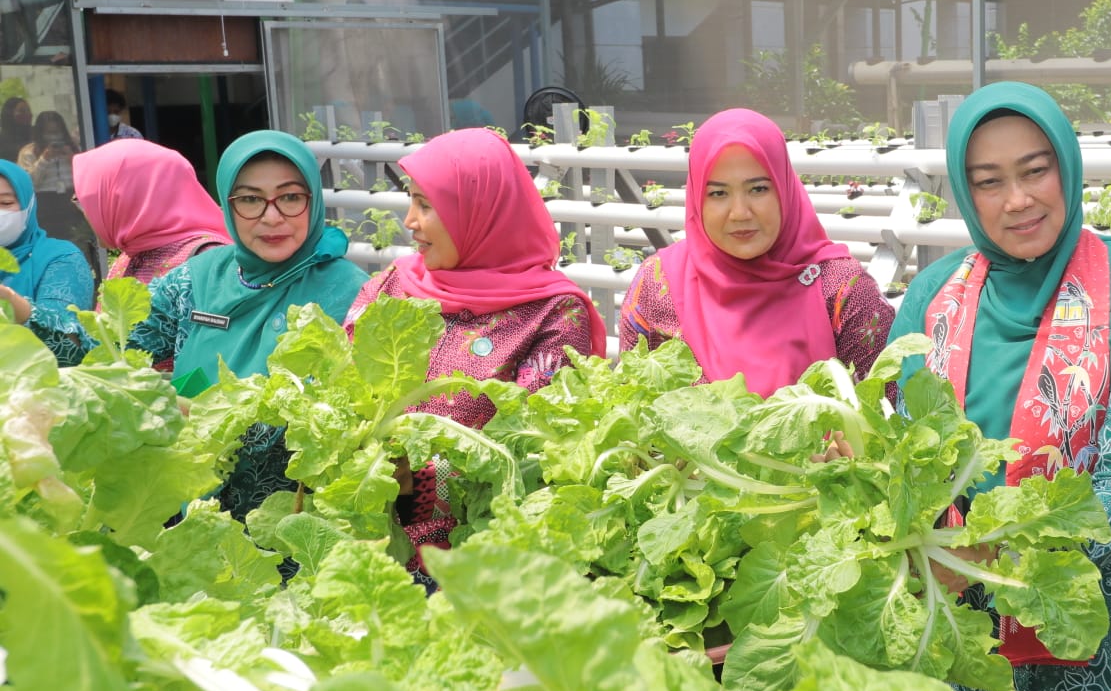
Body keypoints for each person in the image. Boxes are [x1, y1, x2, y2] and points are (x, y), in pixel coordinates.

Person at [885, 82, 1111, 691]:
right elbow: (913, 456)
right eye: (989, 181)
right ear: (965, 194)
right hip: (971, 649)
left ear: (1066, 167)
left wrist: (981, 560)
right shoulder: (933, 297)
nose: (1018, 200)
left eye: (1035, 171)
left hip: (1103, 644)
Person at [343, 127, 608, 581]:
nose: (409, 220)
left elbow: (534, 458)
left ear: (478, 211)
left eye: (426, 205)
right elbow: (338, 386)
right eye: (411, 200)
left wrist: (420, 478)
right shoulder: (391, 286)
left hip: (478, 570)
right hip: (363, 549)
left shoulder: (553, 314)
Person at [129, 131, 368, 519]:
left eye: (290, 197)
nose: (271, 217)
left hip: (295, 529)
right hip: (183, 515)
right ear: (227, 204)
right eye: (251, 200)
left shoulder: (354, 296)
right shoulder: (196, 278)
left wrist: (214, 419)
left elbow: (351, 423)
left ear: (314, 201)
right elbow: (112, 352)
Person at [618, 108, 893, 395]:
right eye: (718, 193)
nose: (740, 213)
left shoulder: (842, 291)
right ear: (697, 198)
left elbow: (884, 414)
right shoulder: (658, 284)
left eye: (758, 189)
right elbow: (629, 403)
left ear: (784, 188)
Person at [72, 140, 230, 371]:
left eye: (93, 203)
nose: (87, 215)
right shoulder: (129, 257)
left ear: (125, 199)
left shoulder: (207, 260)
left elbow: (209, 362)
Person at [0, 160, 94, 365]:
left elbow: (69, 347)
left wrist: (10, 301)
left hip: (39, 392)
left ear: (28, 205)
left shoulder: (60, 258)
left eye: (5, 203)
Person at [0, 96, 31, 162]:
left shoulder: (36, 133)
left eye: (28, 110)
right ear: (9, 114)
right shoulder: (2, 140)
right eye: (22, 111)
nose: (28, 114)